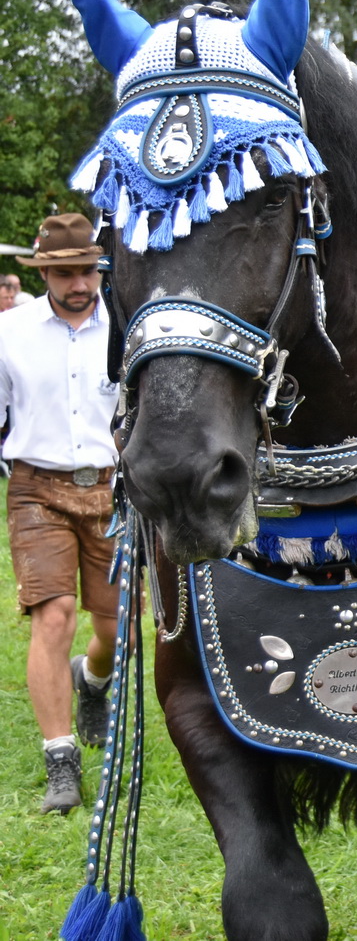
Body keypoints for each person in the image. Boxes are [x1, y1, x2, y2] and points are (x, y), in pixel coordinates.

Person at [0, 214, 119, 813]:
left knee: (114, 629)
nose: (81, 283)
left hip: (112, 492)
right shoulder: (10, 331)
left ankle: (92, 682)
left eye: (89, 270)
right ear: (43, 272)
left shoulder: (126, 324)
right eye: (67, 272)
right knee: (55, 615)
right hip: (36, 489)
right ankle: (61, 762)